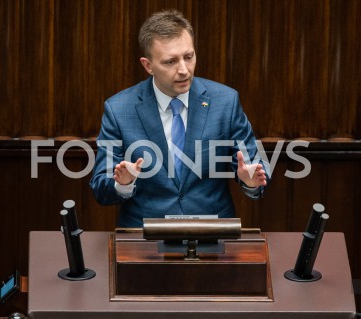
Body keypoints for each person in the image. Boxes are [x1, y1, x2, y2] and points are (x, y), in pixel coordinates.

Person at [90, 10, 268, 227]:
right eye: (170, 61)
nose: (184, 70)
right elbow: (100, 187)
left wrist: (250, 181)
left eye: (188, 57)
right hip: (144, 238)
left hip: (212, 233)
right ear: (148, 66)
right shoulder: (119, 109)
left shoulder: (225, 101)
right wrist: (123, 184)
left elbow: (254, 165)